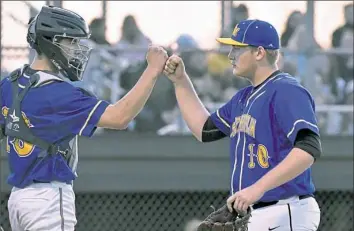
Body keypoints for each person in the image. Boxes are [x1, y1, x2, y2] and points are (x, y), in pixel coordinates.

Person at [0, 6, 167, 231]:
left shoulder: (10, 84)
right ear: (52, 42)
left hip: (18, 201)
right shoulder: (60, 93)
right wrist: (153, 70)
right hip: (48, 199)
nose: (78, 50)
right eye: (72, 42)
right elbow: (120, 117)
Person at [163, 19, 322, 231]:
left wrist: (256, 189)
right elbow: (204, 129)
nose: (230, 56)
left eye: (237, 49)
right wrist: (181, 81)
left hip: (286, 209)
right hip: (256, 213)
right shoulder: (242, 98)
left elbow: (308, 149)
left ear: (259, 53)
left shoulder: (286, 90)